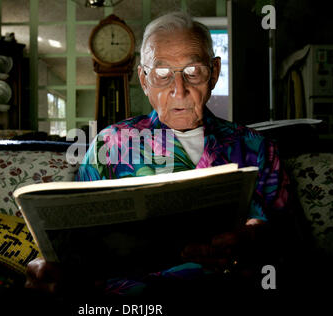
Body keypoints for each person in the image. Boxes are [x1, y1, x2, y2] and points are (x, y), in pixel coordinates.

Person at [25, 11, 289, 295]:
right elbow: (72, 243)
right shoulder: (111, 144)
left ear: (213, 72)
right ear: (143, 78)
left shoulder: (257, 148)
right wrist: (52, 268)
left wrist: (252, 241)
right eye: (162, 74)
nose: (179, 89)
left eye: (194, 71)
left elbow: (287, 247)